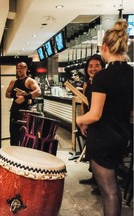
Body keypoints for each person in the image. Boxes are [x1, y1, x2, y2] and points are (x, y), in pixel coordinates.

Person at [76, 19, 133, 216]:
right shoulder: (132, 74)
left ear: (105, 47)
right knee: (114, 189)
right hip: (122, 138)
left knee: (109, 192)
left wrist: (79, 120)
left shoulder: (102, 77)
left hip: (102, 139)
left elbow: (95, 114)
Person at [78, 54, 105, 196]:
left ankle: (102, 184)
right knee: (91, 150)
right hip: (89, 119)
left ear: (102, 67)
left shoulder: (104, 83)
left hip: (100, 121)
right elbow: (84, 103)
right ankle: (94, 177)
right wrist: (83, 120)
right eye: (90, 66)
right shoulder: (86, 84)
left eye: (97, 65)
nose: (93, 68)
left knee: (98, 153)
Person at [5, 62, 41, 146]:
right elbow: (7, 94)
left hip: (25, 113)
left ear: (26, 68)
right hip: (14, 111)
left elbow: (38, 91)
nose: (19, 69)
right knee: (13, 136)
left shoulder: (30, 81)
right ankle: (13, 156)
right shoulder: (13, 81)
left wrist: (25, 97)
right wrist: (15, 95)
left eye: (21, 67)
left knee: (24, 137)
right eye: (17, 67)